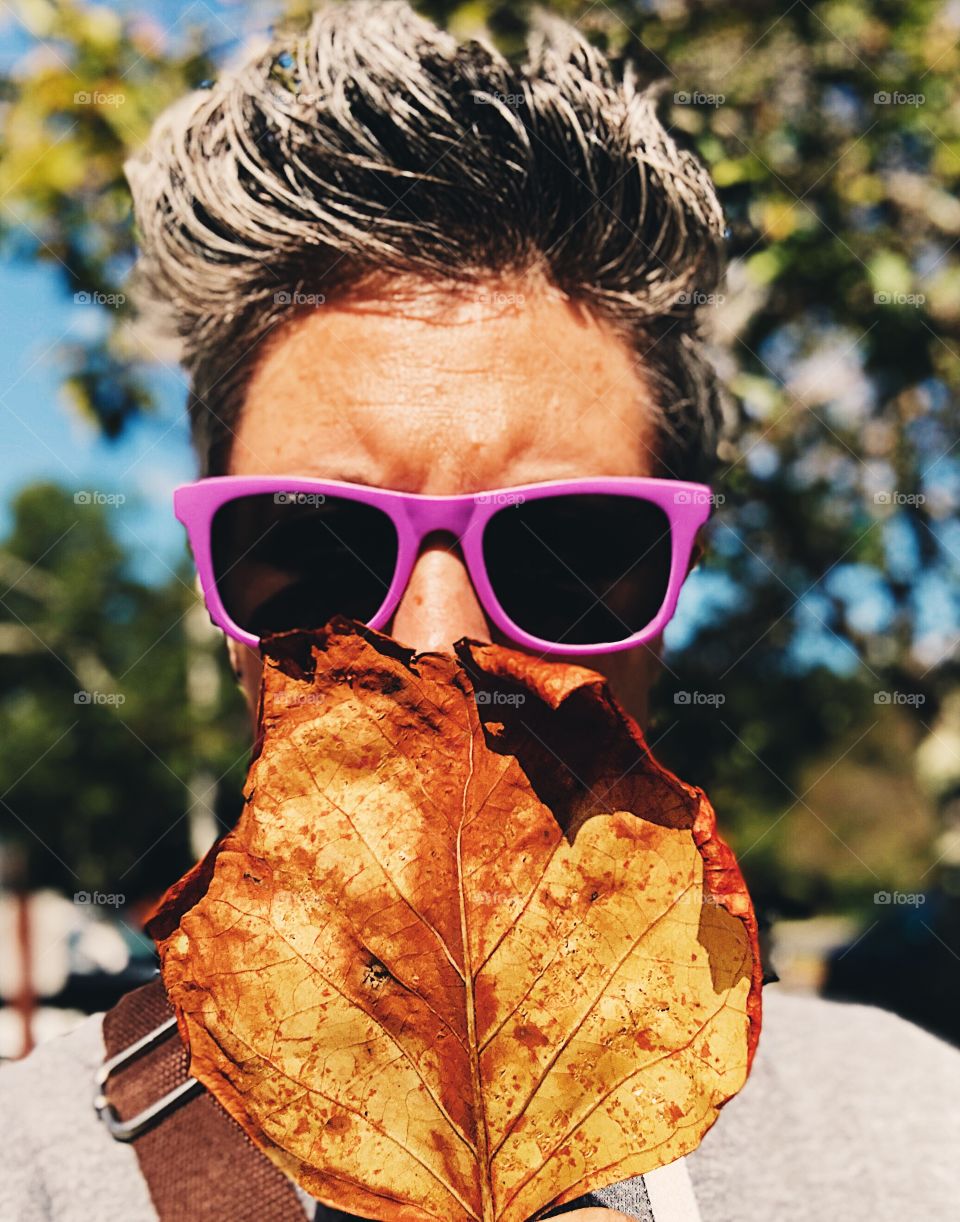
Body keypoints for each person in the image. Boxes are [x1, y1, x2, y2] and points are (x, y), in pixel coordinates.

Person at [2, 3, 958, 1220]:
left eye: (565, 547)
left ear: (674, 589)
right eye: (318, 547)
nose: (440, 644)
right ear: (214, 591)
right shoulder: (33, 1172)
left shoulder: (917, 1139)